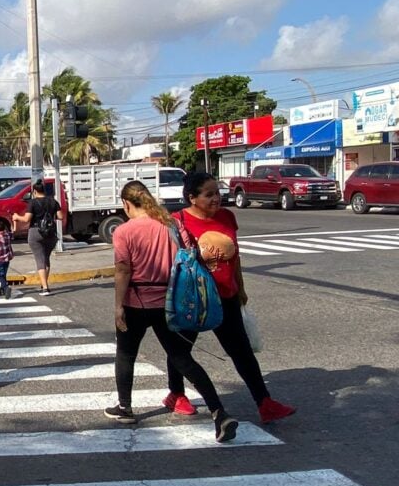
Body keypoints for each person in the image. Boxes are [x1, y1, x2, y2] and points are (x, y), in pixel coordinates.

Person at [105, 180, 238, 442]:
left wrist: (118, 306)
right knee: (182, 358)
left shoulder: (124, 231)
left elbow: (123, 270)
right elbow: (190, 255)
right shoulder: (172, 225)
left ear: (126, 204)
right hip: (170, 301)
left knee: (126, 353)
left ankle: (125, 408)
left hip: (136, 301)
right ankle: (219, 412)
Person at [172, 171, 296, 424]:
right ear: (192, 198)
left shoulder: (227, 217)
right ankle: (176, 394)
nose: (216, 198)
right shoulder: (178, 222)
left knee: (241, 351)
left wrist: (240, 287)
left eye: (217, 192)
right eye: (209, 194)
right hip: (194, 297)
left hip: (225, 295)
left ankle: (265, 403)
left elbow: (235, 256)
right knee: (180, 349)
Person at [12, 181, 61, 295]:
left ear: (34, 191)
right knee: (46, 259)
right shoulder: (53, 201)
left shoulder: (33, 203)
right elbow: (60, 216)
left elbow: (26, 219)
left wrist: (16, 216)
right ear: (44, 190)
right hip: (51, 233)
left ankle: (45, 287)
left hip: (36, 232)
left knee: (40, 259)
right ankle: (44, 283)